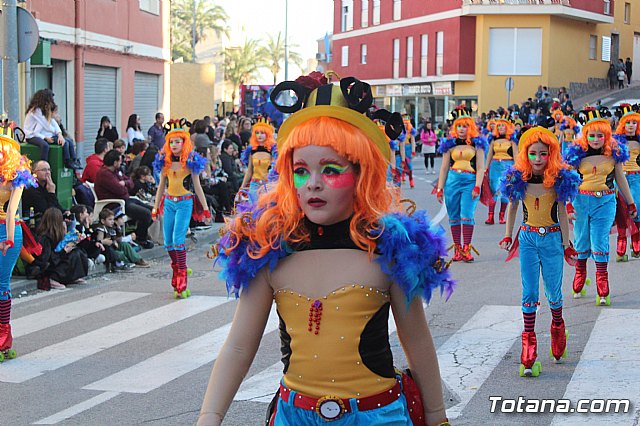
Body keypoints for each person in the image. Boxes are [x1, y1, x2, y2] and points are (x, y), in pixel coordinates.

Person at [198, 72, 453, 426]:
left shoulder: (393, 250)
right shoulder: (270, 248)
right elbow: (240, 346)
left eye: (331, 170)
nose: (314, 183)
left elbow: (417, 341)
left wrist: (438, 417)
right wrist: (209, 418)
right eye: (301, 170)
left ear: (360, 173)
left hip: (379, 416)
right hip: (293, 417)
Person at [499, 126, 580, 377]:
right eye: (532, 153)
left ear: (550, 154)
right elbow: (512, 208)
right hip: (528, 239)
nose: (537, 159)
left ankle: (557, 325)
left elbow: (564, 215)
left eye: (543, 154)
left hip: (554, 238)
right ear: (525, 154)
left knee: (554, 291)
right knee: (530, 291)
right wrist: (508, 234)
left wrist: (567, 243)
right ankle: (529, 344)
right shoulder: (518, 179)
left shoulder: (558, 179)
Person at [564, 107, 637, 305]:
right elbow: (568, 181)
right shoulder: (576, 155)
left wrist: (630, 202)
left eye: (600, 135)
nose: (596, 139)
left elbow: (620, 179)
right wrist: (568, 206)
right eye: (591, 135)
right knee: (581, 240)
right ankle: (580, 272)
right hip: (581, 201)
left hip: (605, 201)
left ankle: (602, 280)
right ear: (585, 136)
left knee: (599, 239)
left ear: (606, 136)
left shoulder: (614, 155)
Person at [152, 120, 210, 298]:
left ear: (184, 143)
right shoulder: (165, 162)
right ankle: (177, 268)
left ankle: (183, 272)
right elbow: (161, 186)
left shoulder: (190, 161)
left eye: (178, 141)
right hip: (169, 202)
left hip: (185, 202)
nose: (174, 145)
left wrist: (206, 210)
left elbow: (197, 186)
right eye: (171, 141)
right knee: (168, 242)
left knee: (178, 239)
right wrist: (155, 207)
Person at [0, 128, 37, 360]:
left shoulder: (17, 177)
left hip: (7, 229)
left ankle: (3, 338)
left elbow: (12, 211)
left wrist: (9, 239)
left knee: (2, 284)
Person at [436, 106, 487, 262]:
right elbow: (444, 168)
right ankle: (457, 249)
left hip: (469, 182)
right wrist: (440, 188)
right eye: (459, 126)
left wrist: (477, 186)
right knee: (454, 217)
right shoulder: (449, 145)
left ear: (470, 127)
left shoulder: (477, 144)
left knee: (467, 215)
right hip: (452, 182)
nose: (461, 129)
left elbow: (480, 168)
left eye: (465, 126)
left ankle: (467, 249)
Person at [94, 150, 154, 249]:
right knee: (146, 214)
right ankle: (141, 238)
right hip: (115, 203)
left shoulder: (117, 171)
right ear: (115, 162)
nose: (121, 162)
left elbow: (131, 181)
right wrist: (124, 185)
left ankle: (138, 234)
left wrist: (124, 183)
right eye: (120, 160)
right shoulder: (105, 174)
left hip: (126, 199)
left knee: (152, 211)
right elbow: (120, 190)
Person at [32, 207, 89, 289]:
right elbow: (47, 258)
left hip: (56, 259)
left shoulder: (56, 233)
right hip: (47, 267)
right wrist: (64, 251)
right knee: (72, 256)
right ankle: (53, 279)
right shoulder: (44, 237)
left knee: (77, 251)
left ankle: (72, 277)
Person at [612, 104, 640, 260]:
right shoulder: (617, 142)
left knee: (637, 208)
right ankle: (621, 241)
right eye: (628, 123)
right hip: (621, 178)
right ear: (622, 124)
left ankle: (637, 239)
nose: (631, 126)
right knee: (621, 211)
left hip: (637, 178)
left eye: (634, 123)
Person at [484, 114, 518, 225]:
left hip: (507, 166)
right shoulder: (493, 140)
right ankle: (490, 216)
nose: (501, 128)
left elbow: (516, 155)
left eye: (503, 126)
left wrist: (517, 168)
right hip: (494, 166)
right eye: (499, 126)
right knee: (493, 190)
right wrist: (486, 168)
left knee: (505, 190)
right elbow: (489, 154)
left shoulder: (512, 140)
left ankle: (502, 215)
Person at [21, 160, 68, 226]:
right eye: (44, 170)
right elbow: (48, 211)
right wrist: (51, 193)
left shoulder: (47, 186)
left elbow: (56, 205)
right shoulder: (31, 189)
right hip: (37, 222)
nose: (48, 172)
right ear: (34, 173)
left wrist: (64, 212)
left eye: (49, 170)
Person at [23, 89, 64, 163]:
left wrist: (59, 133)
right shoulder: (36, 111)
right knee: (45, 146)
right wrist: (55, 133)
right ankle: (43, 165)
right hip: (31, 136)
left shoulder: (40, 110)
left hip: (37, 134)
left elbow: (51, 121)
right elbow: (46, 124)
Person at [239, 117, 277, 195]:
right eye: (257, 133)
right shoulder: (252, 149)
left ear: (267, 134)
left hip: (268, 185)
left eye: (262, 133)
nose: (259, 135)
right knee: (253, 206)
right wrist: (242, 187)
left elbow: (274, 170)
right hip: (254, 184)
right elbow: (249, 171)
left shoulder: (272, 150)